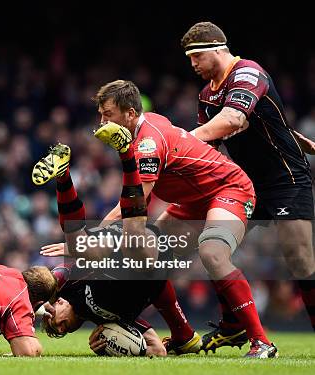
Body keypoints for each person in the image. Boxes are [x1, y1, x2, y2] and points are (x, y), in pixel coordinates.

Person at [36, 80, 277, 358]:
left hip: (229, 189)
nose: (102, 121)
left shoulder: (147, 144)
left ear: (129, 114)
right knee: (149, 262)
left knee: (211, 253)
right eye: (100, 114)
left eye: (108, 114)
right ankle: (184, 336)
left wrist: (85, 244)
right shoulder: (143, 128)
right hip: (192, 201)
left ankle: (262, 343)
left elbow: (134, 209)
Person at [181, 22, 315, 340]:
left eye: (197, 56)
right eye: (190, 59)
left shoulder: (248, 73)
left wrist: (179, 139)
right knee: (213, 246)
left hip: (287, 179)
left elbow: (233, 119)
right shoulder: (205, 95)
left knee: (300, 259)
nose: (193, 65)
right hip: (245, 185)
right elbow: (208, 147)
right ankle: (233, 325)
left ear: (216, 48)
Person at [32, 143, 201, 356]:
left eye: (50, 314)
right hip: (149, 271)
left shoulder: (67, 287)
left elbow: (49, 280)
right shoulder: (108, 323)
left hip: (128, 250)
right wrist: (111, 350)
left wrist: (33, 304)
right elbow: (158, 351)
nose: (53, 313)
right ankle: (127, 155)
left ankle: (71, 173)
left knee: (87, 244)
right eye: (55, 322)